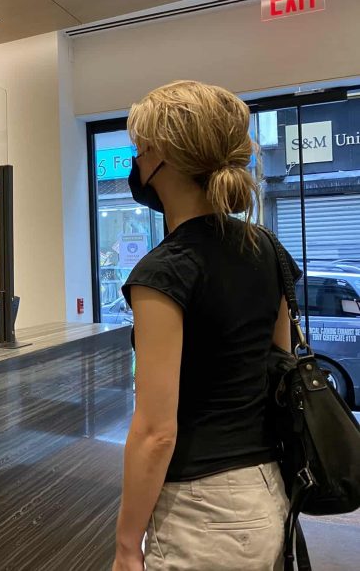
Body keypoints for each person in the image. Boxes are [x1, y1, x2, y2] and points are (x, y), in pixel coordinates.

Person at [112, 81, 300, 571]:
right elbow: (278, 370)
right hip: (267, 492)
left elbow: (155, 431)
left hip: (203, 512)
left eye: (140, 150)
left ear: (163, 157)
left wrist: (127, 545)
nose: (136, 162)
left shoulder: (164, 271)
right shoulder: (268, 249)